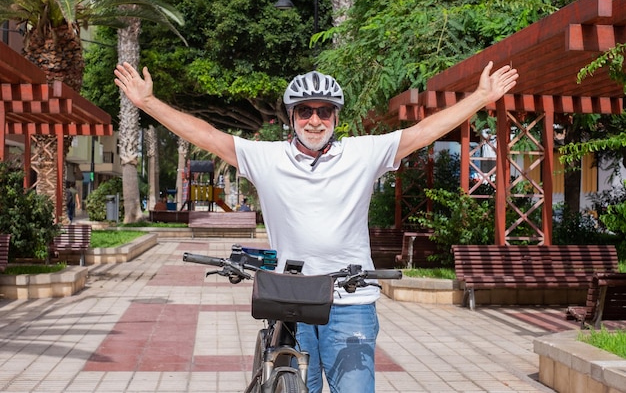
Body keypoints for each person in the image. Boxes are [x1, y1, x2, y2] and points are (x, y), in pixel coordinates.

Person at [114, 61, 517, 393]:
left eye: (324, 111)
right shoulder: (267, 158)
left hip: (351, 300)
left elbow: (421, 133)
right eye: (305, 111)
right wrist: (149, 103)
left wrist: (481, 97)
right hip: (292, 299)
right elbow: (208, 135)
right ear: (291, 117)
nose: (314, 119)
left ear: (335, 118)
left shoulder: (361, 153)